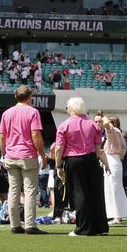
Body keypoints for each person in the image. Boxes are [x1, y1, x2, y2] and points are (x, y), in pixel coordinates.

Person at [52, 96, 110, 237]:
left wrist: (58, 165)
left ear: (71, 108)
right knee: (96, 193)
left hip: (73, 161)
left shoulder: (64, 125)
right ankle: (101, 227)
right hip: (91, 160)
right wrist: (106, 164)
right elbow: (98, 150)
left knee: (79, 194)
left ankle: (83, 228)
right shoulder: (93, 125)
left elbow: (59, 148)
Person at [0, 85, 46, 234]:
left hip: (11, 156)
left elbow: (2, 136)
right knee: (30, 191)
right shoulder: (33, 112)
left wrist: (5, 153)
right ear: (29, 97)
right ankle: (30, 225)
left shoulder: (7, 113)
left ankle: (15, 225)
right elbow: (35, 135)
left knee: (13, 191)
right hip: (27, 155)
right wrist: (42, 155)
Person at [101, 114, 127, 225]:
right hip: (112, 159)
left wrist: (103, 116)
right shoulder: (116, 132)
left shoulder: (113, 131)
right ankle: (114, 214)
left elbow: (106, 125)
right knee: (110, 187)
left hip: (113, 158)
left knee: (114, 187)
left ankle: (117, 215)